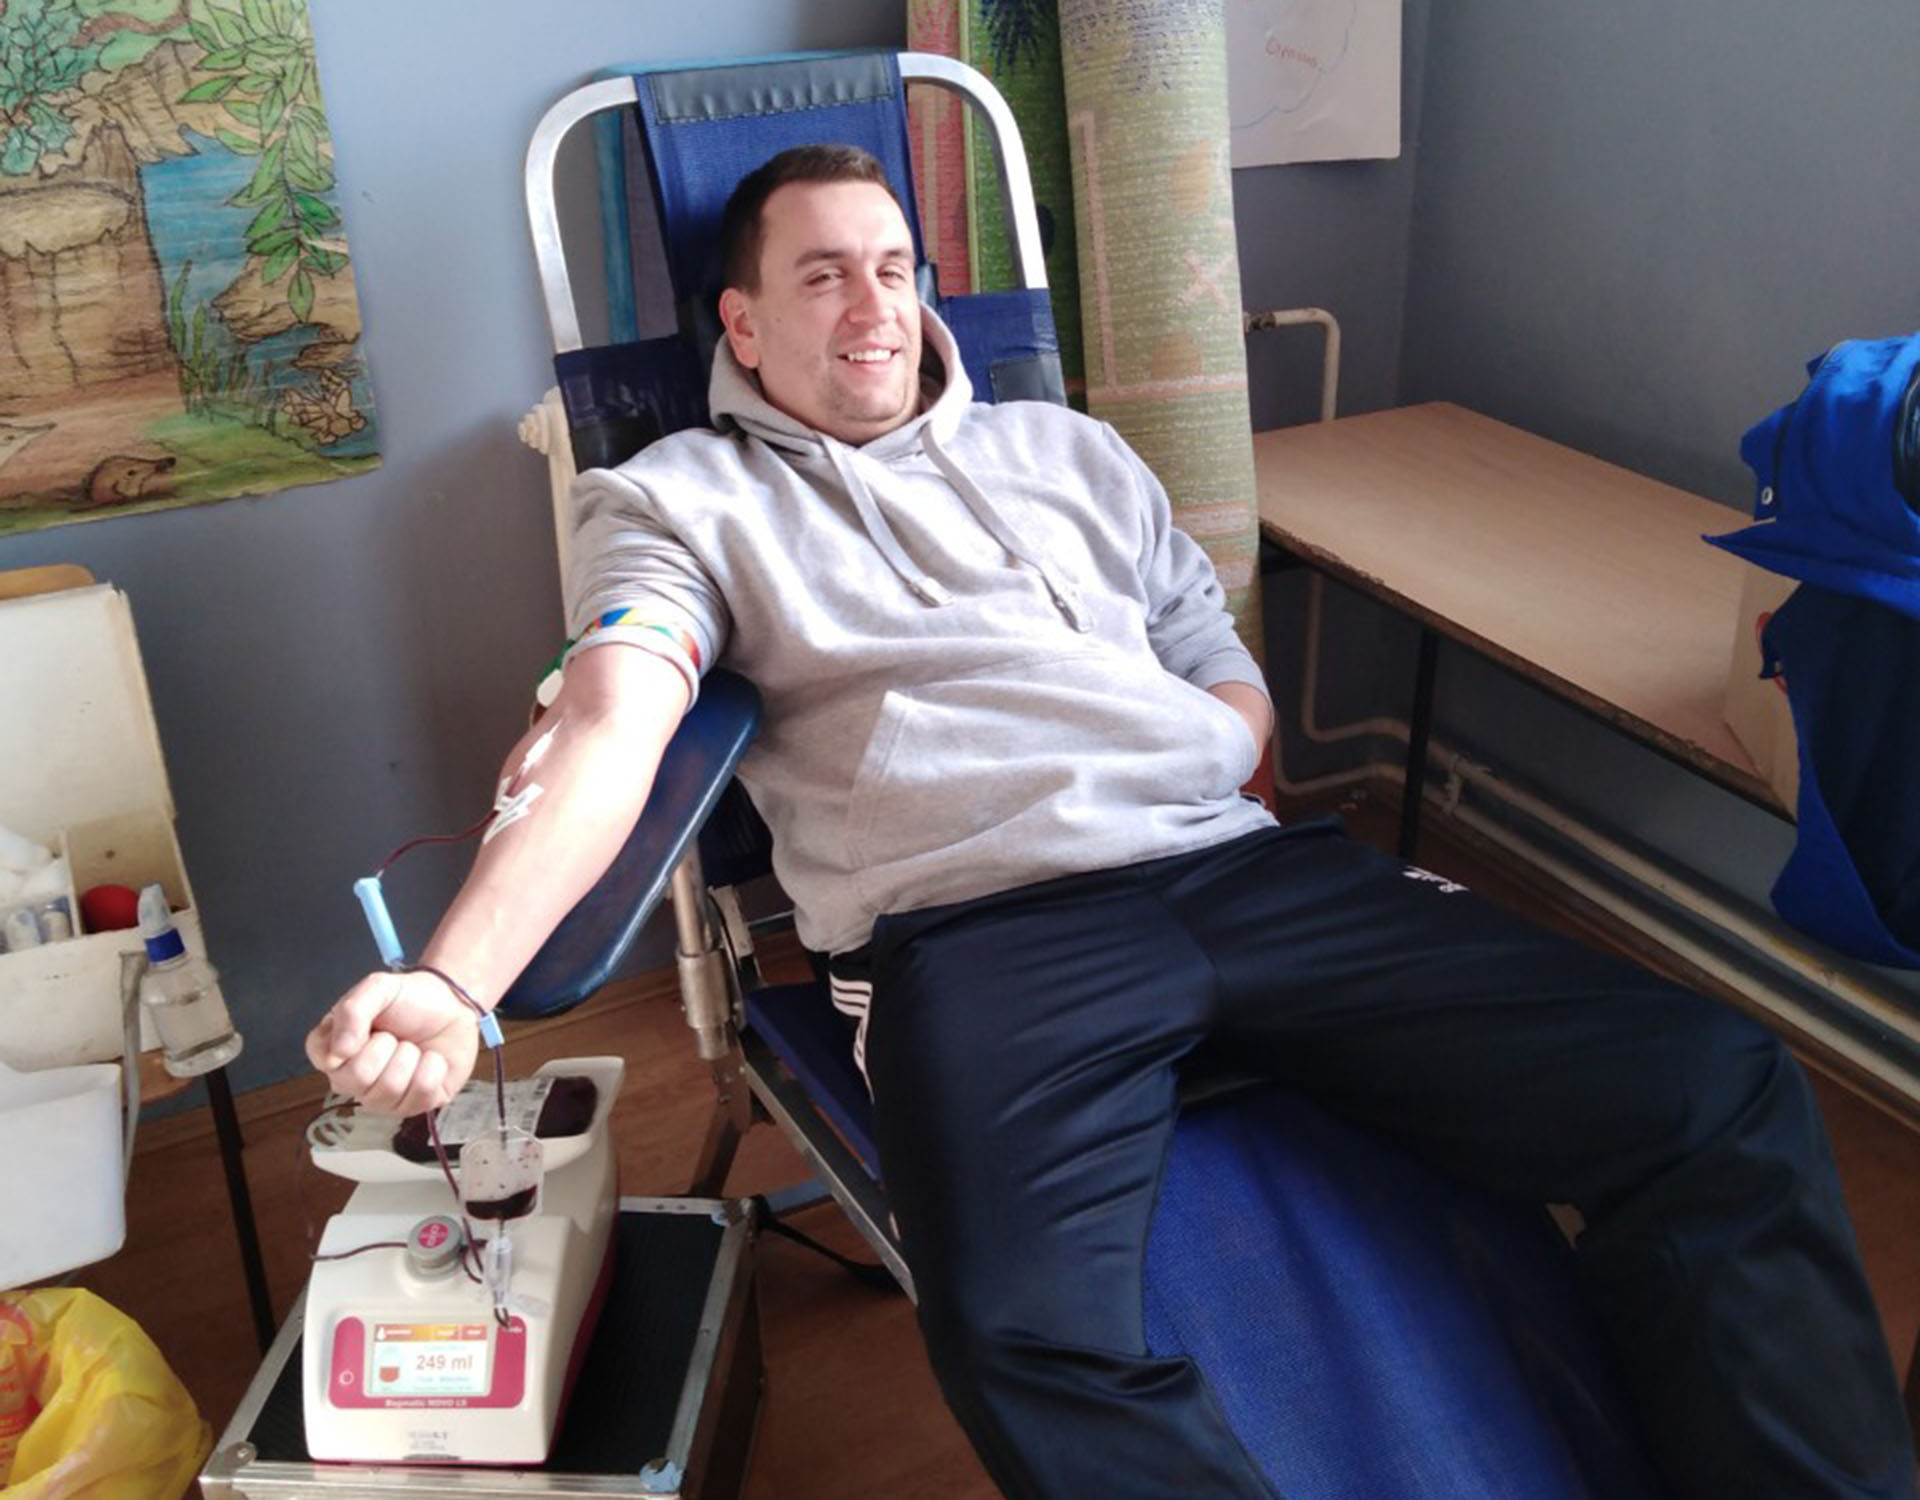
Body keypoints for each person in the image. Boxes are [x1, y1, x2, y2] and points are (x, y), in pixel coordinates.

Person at [308, 145, 1917, 1500]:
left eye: (894, 267)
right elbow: (612, 721)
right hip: (982, 936)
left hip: (1241, 870)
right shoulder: (675, 498)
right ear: (740, 318)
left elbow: (1212, 643)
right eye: (822, 275)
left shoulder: (1068, 449)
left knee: (1715, 1087)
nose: (874, 305)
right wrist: (455, 978)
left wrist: (1211, 744)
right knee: (1029, 1334)